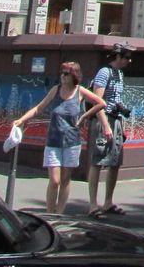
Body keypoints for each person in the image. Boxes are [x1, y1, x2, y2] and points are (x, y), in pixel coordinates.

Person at [11, 61, 110, 215]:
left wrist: (85, 116)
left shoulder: (80, 91)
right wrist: (21, 120)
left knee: (65, 179)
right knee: (54, 180)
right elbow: (38, 108)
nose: (63, 76)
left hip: (72, 142)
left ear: (74, 76)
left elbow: (101, 103)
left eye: (66, 74)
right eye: (62, 73)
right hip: (53, 141)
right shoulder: (55, 90)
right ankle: (50, 213)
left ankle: (59, 213)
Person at [87, 43, 132, 218]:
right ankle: (93, 205)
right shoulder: (104, 72)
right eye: (126, 57)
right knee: (98, 161)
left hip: (116, 119)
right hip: (103, 119)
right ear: (117, 56)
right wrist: (105, 125)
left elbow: (115, 99)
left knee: (115, 162)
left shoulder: (119, 74)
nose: (129, 61)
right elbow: (97, 101)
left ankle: (108, 202)